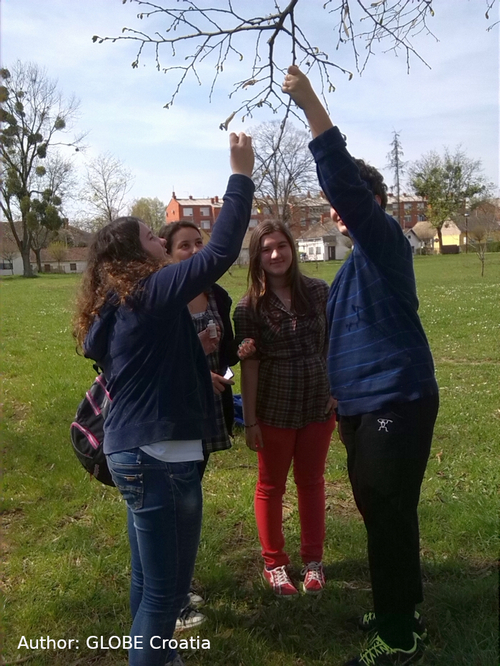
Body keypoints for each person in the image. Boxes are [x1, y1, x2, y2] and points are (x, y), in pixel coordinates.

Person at [73, 132, 254, 666]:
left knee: (145, 579)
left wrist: (191, 355)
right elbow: (221, 251)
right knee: (165, 595)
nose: (161, 240)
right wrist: (240, 174)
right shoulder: (150, 292)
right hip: (161, 457)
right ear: (135, 254)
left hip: (133, 451)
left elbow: (142, 365)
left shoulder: (117, 303)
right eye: (153, 236)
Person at [282, 66, 439, 665]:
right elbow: (334, 340)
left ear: (370, 205)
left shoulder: (387, 246)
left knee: (387, 506)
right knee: (383, 510)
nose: (338, 211)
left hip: (396, 400)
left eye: (346, 202)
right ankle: (404, 607)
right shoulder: (348, 274)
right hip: (359, 407)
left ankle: (398, 637)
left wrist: (311, 104)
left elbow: (344, 184)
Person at [233, 221, 336, 598]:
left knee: (311, 483)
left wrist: (336, 390)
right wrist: (250, 421)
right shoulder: (249, 307)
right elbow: (250, 365)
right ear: (256, 257)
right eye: (266, 249)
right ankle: (274, 564)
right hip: (274, 408)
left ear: (292, 249)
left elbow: (333, 343)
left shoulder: (319, 292)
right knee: (271, 486)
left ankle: (313, 562)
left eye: (281, 246)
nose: (275, 254)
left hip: (317, 404)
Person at [159, 220, 240, 631]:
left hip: (209, 412)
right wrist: (196, 363)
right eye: (183, 246)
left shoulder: (217, 295)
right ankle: (171, 594)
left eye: (198, 243)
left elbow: (224, 352)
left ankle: (178, 584)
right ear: (168, 254)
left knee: (190, 498)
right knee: (176, 504)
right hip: (175, 414)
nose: (192, 252)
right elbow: (156, 359)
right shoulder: (164, 297)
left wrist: (230, 362)